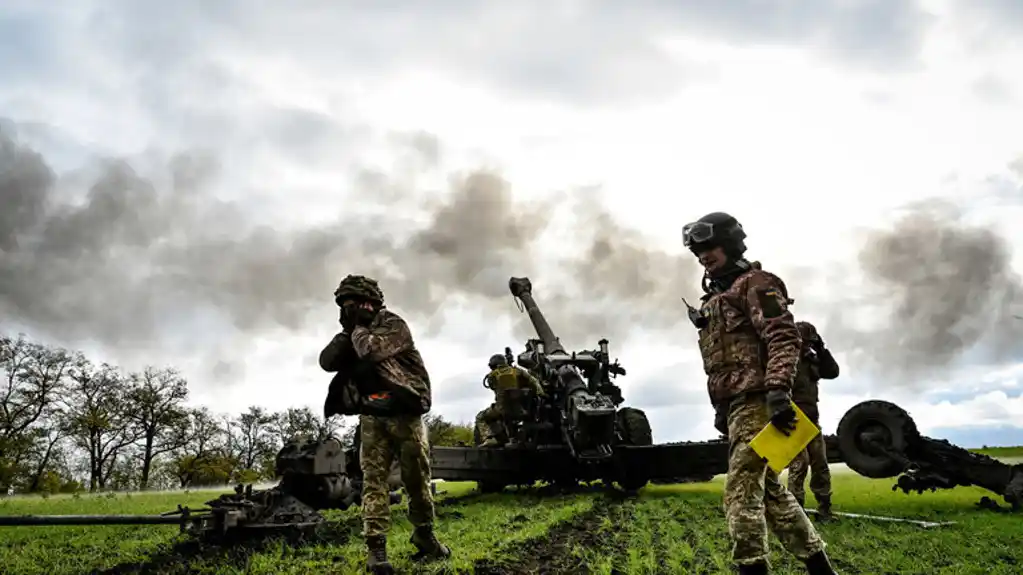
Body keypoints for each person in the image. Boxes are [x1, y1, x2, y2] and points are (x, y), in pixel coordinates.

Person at [682, 212, 837, 575]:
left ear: (731, 244)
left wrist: (779, 392)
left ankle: (752, 568)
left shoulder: (757, 284)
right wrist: (721, 409)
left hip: (759, 401)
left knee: (740, 490)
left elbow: (783, 336)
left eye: (710, 246)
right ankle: (821, 569)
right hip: (737, 405)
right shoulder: (715, 300)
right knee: (769, 492)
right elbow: (718, 361)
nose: (704, 255)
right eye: (698, 251)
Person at [318, 274, 450, 574]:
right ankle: (376, 550)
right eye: (344, 306)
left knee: (416, 480)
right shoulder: (354, 333)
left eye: (354, 304)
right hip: (373, 415)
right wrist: (346, 331)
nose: (349, 310)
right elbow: (326, 362)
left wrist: (359, 328)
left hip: (404, 412)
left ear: (371, 303)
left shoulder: (393, 325)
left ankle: (424, 535)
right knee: (373, 482)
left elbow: (371, 351)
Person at [787, 320, 840, 520]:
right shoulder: (787, 359)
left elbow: (833, 372)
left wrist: (821, 349)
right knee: (799, 465)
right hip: (794, 418)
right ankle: (796, 512)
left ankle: (825, 508)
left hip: (811, 419)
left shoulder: (812, 359)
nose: (806, 345)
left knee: (820, 464)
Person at [475, 353, 545, 447]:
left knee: (480, 417)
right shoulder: (517, 371)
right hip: (521, 409)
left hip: (501, 408)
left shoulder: (492, 375)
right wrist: (541, 394)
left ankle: (489, 438)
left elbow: (493, 387)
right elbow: (533, 381)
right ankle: (512, 438)